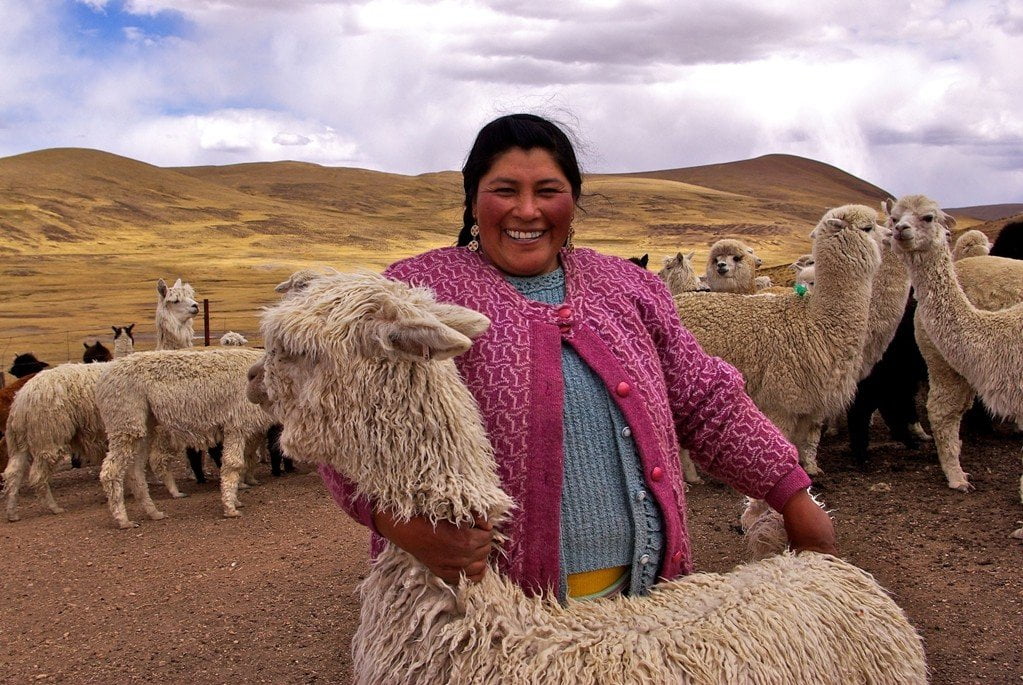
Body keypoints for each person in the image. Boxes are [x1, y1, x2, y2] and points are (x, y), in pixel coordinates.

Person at [319, 113, 836, 601]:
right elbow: (342, 422)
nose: (527, 210)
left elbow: (706, 403)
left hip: (648, 604)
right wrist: (400, 526)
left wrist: (791, 493)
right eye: (504, 190)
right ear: (473, 201)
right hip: (486, 620)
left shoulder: (628, 287)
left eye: (548, 191)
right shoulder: (414, 294)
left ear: (574, 200)